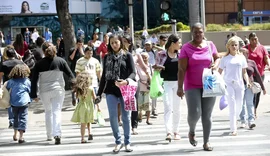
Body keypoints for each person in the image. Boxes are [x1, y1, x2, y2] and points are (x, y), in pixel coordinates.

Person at [178, 22, 220, 151]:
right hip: (191, 84)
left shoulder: (210, 45)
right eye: (195, 32)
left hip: (208, 82)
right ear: (191, 32)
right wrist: (180, 87)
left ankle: (206, 142)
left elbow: (217, 58)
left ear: (204, 32)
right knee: (195, 113)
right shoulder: (186, 48)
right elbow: (181, 69)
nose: (198, 34)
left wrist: (216, 65)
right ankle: (192, 131)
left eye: (200, 31)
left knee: (207, 114)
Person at [96, 34, 136, 153]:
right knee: (113, 117)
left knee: (126, 117)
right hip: (110, 90)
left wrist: (126, 81)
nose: (114, 45)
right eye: (112, 43)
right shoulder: (106, 57)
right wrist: (99, 94)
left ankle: (127, 142)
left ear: (121, 42)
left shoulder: (127, 55)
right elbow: (103, 77)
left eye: (116, 42)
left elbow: (133, 72)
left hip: (125, 89)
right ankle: (118, 142)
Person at [30, 42, 74, 145]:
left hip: (44, 91)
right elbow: (71, 75)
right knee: (56, 111)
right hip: (58, 90)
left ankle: (49, 135)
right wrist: (75, 87)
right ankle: (57, 134)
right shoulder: (61, 61)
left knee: (48, 111)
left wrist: (33, 95)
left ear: (43, 51)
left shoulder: (39, 63)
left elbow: (34, 80)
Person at [218, 37, 250, 136]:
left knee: (239, 105)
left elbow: (244, 72)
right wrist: (220, 83)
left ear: (238, 46)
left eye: (236, 45)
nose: (234, 46)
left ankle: (235, 119)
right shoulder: (225, 58)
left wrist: (247, 82)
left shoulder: (241, 58)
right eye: (232, 45)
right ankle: (233, 128)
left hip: (239, 84)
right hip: (229, 84)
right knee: (232, 105)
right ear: (228, 46)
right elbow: (219, 72)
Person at [154, 34, 182, 141]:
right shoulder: (161, 54)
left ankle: (176, 131)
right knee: (168, 107)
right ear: (173, 43)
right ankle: (168, 132)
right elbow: (156, 67)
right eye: (178, 43)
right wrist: (159, 67)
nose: (180, 45)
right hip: (166, 83)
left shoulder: (180, 54)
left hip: (178, 83)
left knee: (177, 108)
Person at [239, 48, 266, 129]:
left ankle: (251, 121)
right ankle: (243, 120)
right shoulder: (237, 62)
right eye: (242, 53)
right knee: (241, 104)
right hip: (239, 86)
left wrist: (263, 87)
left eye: (246, 53)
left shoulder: (252, 62)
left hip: (249, 85)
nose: (244, 55)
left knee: (250, 103)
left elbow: (257, 75)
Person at [245, 32, 270, 118]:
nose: (254, 41)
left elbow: (266, 57)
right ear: (249, 40)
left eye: (256, 39)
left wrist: (269, 64)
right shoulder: (246, 48)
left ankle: (254, 109)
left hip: (260, 74)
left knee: (257, 92)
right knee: (252, 93)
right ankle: (251, 111)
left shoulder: (262, 48)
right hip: (249, 75)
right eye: (252, 39)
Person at [0, 46, 24, 129]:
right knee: (19, 101)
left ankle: (11, 120)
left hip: (8, 84)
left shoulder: (4, 64)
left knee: (9, 102)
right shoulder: (19, 62)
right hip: (19, 83)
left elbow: (1, 75)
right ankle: (19, 119)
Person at [71, 72, 99, 143]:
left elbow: (75, 96)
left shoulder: (79, 89)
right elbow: (95, 99)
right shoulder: (91, 88)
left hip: (81, 107)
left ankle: (83, 138)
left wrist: (74, 99)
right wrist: (98, 107)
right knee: (89, 120)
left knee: (83, 123)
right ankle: (90, 133)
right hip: (90, 107)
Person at [6, 64, 31, 144]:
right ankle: (21, 136)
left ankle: (15, 134)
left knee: (15, 118)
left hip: (14, 102)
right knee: (23, 118)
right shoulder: (26, 81)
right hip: (24, 102)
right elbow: (29, 90)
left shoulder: (11, 81)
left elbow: (6, 87)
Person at [136, 52, 152, 125]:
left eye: (145, 57)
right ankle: (140, 117)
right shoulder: (137, 66)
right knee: (139, 104)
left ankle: (148, 120)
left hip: (148, 88)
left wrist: (149, 82)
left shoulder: (150, 66)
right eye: (142, 57)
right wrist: (143, 82)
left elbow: (152, 76)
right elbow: (136, 77)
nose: (144, 59)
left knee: (148, 105)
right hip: (139, 87)